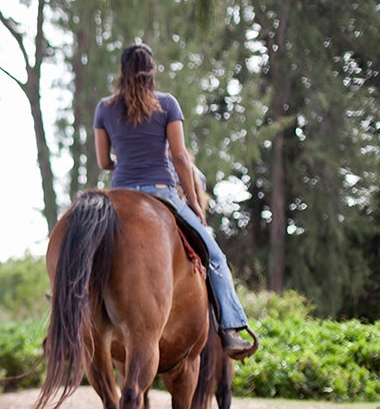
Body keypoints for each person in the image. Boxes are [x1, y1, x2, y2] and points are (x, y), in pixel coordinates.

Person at [94, 43, 258, 360]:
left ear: (121, 72)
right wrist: (195, 204)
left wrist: (123, 162)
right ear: (152, 72)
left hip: (119, 195)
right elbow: (181, 158)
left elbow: (103, 161)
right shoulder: (167, 105)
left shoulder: (105, 108)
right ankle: (231, 329)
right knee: (215, 257)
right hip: (162, 192)